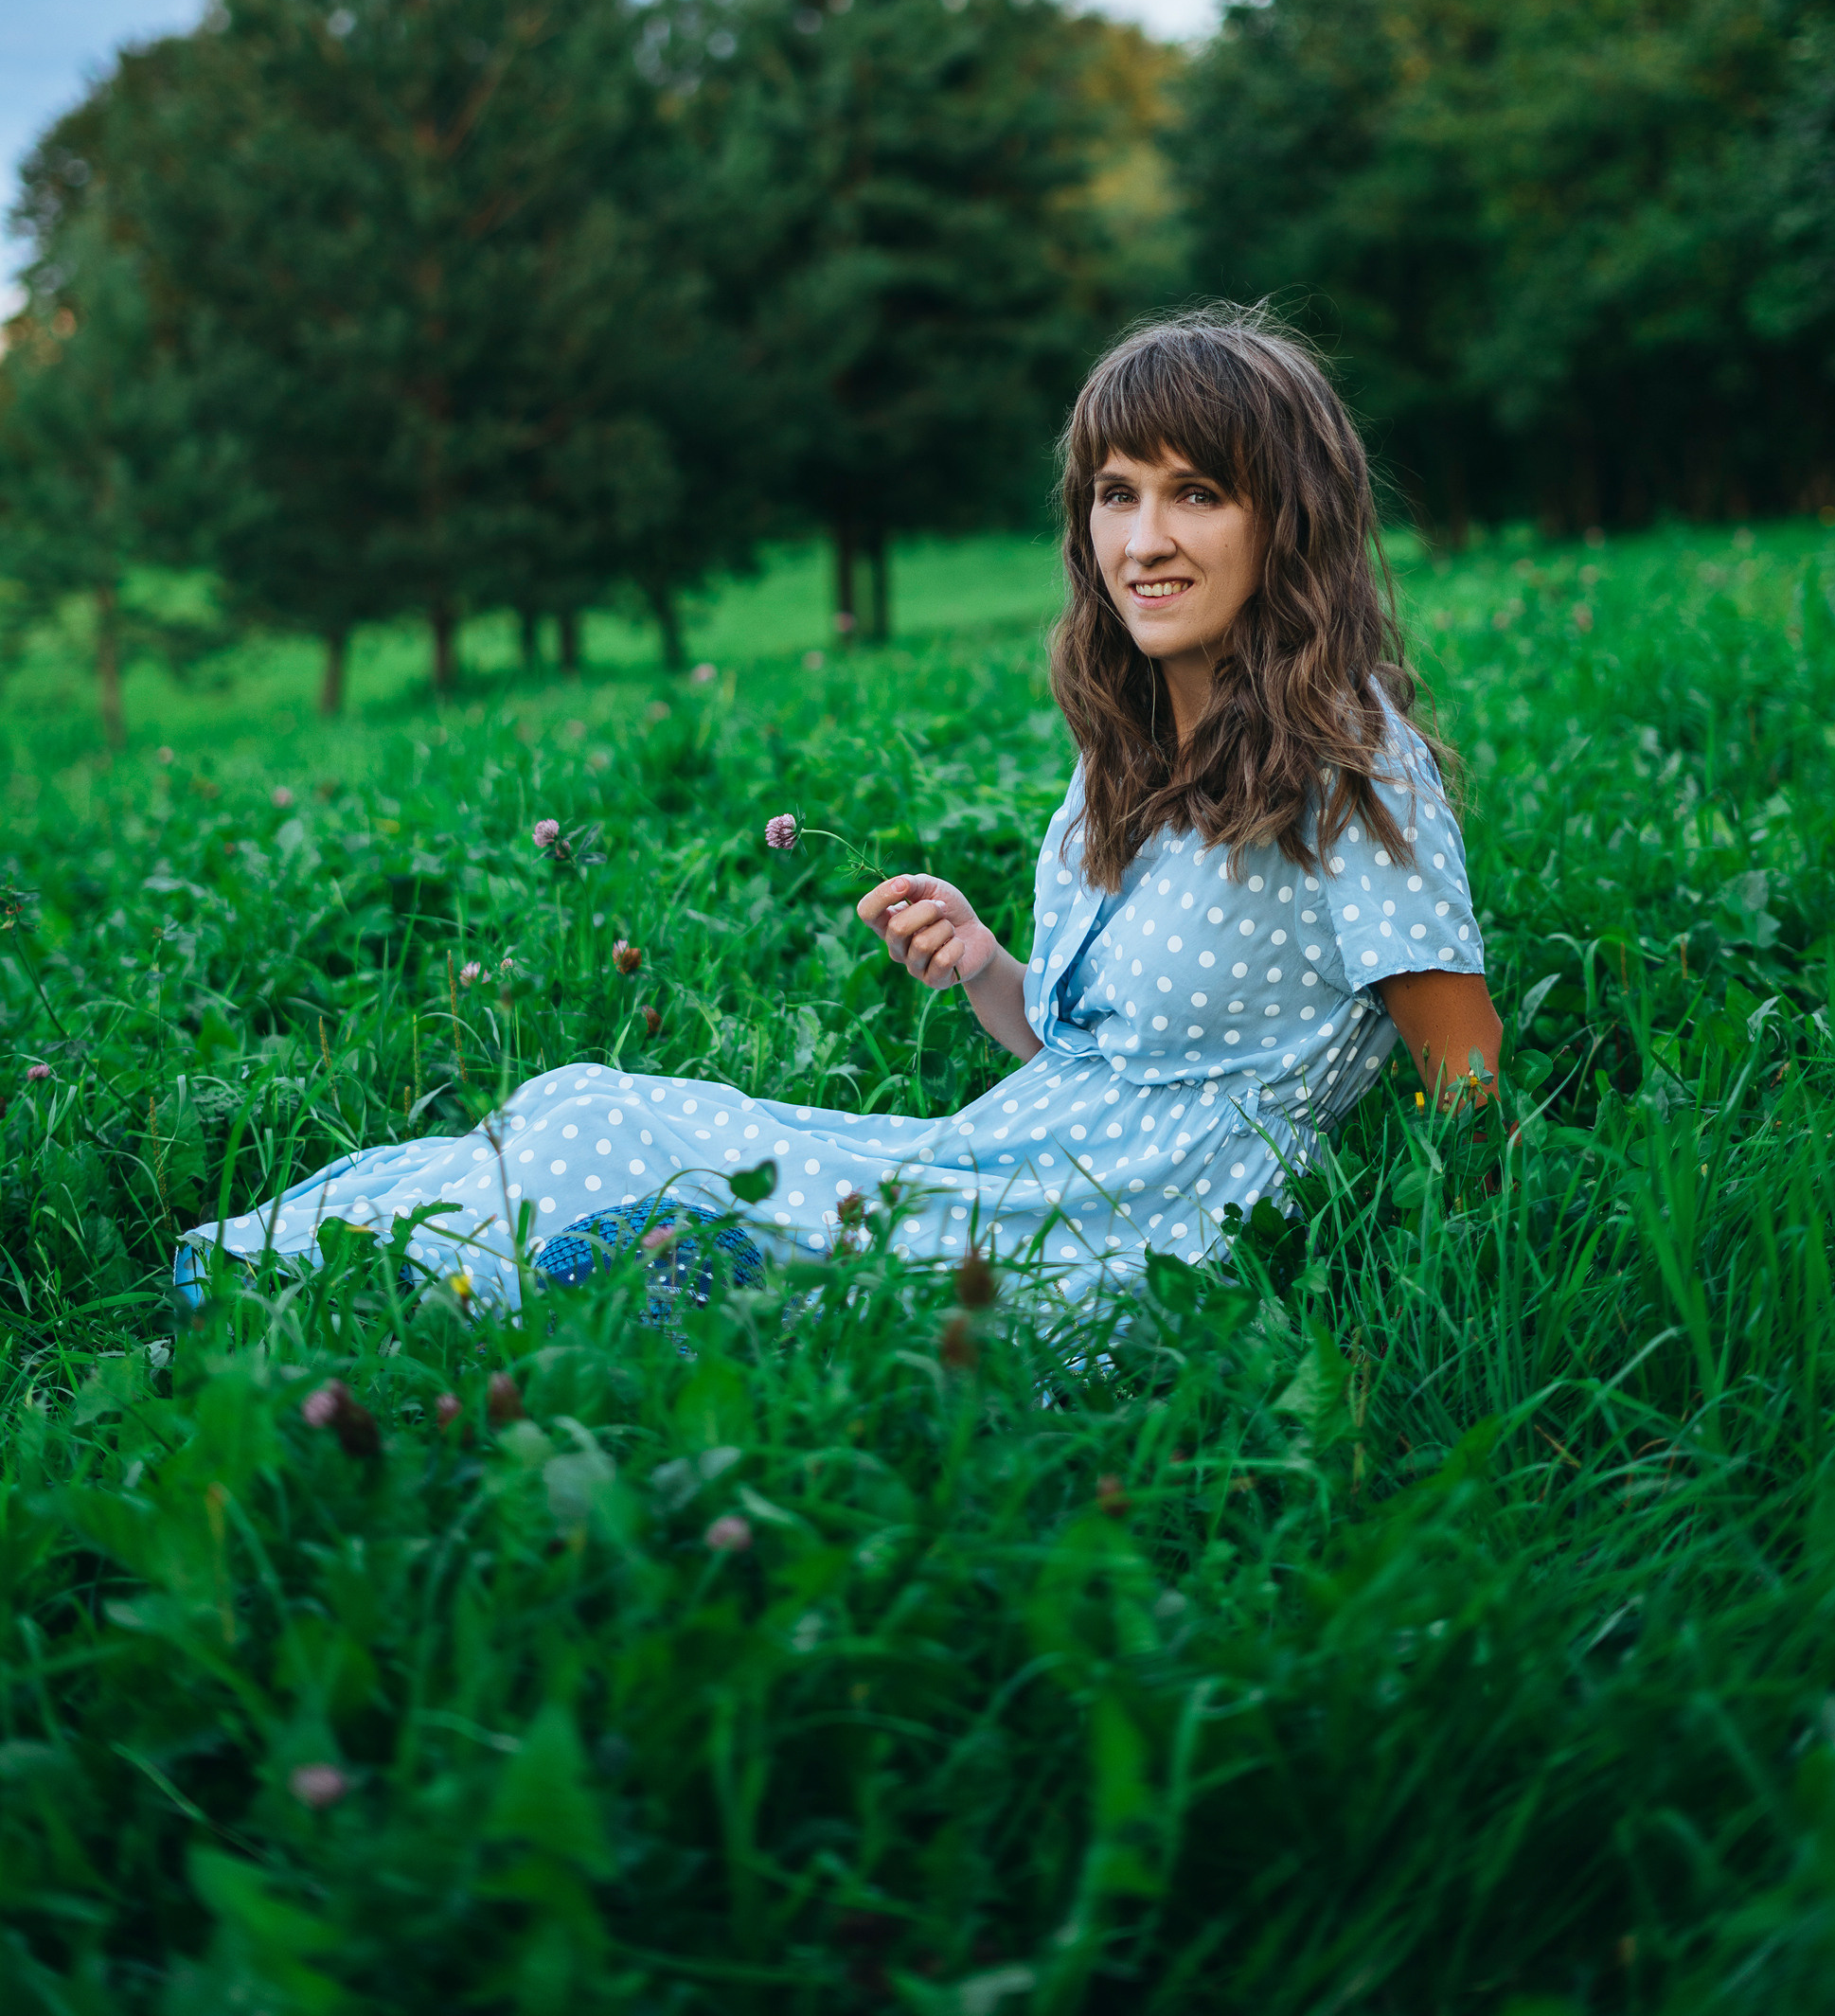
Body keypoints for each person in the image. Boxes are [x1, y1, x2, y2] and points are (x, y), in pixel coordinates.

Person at [177, 312, 1499, 1309]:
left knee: (632, 1144)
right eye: (1117, 494)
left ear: (1290, 519)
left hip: (1118, 1236)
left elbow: (1463, 1068)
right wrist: (987, 967)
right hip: (1014, 1162)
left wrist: (1398, 1279)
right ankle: (352, 1275)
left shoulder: (1351, 761)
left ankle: (416, 1293)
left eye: (1196, 494)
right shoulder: (1129, 763)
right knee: (589, 1106)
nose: (1144, 539)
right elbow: (1086, 1055)